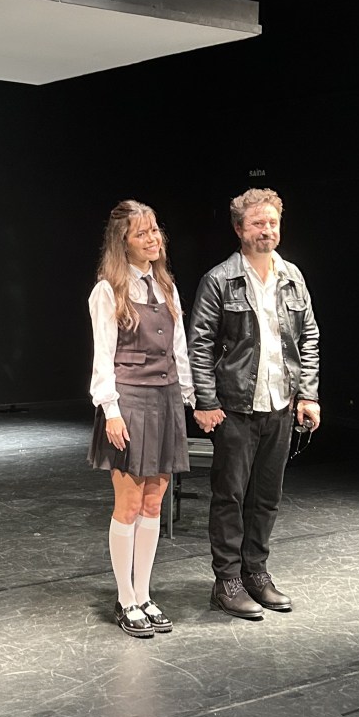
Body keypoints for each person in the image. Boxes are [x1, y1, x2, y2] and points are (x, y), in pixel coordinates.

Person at [188, 188, 321, 619]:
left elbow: (309, 338)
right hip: (235, 407)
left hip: (280, 403)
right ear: (239, 229)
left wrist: (308, 394)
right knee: (230, 496)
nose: (267, 230)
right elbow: (200, 345)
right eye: (258, 223)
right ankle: (227, 580)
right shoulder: (220, 279)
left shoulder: (292, 277)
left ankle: (256, 573)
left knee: (267, 496)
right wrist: (205, 401)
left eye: (272, 223)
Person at [88, 200, 195, 638]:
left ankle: (145, 593)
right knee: (129, 504)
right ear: (124, 242)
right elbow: (103, 356)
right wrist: (110, 410)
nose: (153, 239)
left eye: (155, 231)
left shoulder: (166, 287)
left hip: (166, 399)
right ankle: (125, 598)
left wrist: (189, 399)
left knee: (155, 503)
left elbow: (180, 349)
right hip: (129, 402)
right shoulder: (108, 291)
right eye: (142, 233)